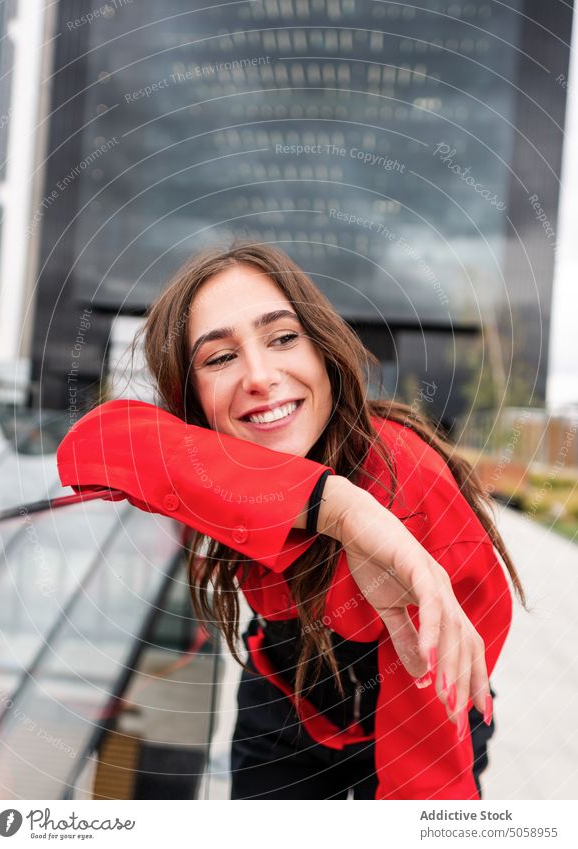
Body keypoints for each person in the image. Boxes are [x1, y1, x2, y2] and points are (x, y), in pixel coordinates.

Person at [57, 241, 522, 800]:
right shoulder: (215, 455)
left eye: (282, 338)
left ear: (323, 350)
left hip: (415, 722)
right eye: (220, 357)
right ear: (192, 399)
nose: (260, 376)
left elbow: (428, 763)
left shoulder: (411, 482)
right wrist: (339, 508)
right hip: (281, 703)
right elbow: (91, 445)